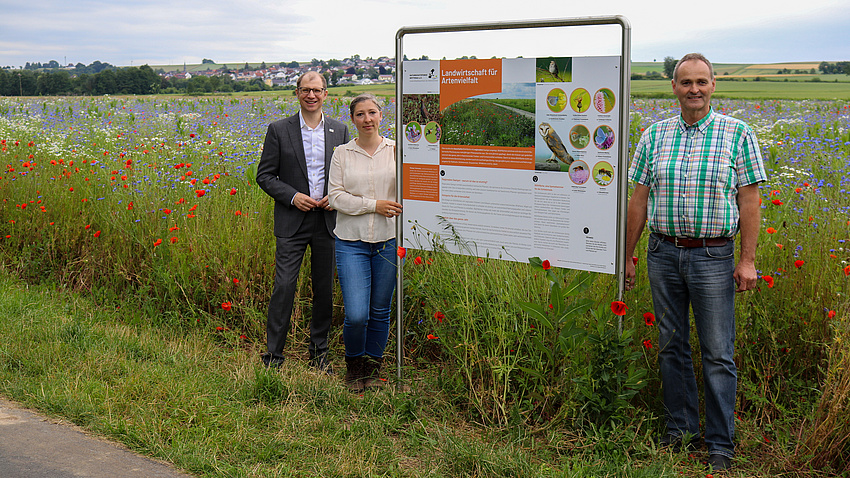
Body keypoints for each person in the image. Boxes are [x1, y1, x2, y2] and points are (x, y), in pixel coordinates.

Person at [624, 53, 766, 472]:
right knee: (672, 346)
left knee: (718, 352)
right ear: (674, 87)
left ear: (713, 85)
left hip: (713, 256)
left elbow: (750, 201)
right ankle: (680, 431)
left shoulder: (737, 133)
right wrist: (628, 254)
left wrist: (747, 261)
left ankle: (720, 443)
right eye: (686, 82)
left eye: (701, 81)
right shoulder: (654, 135)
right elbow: (639, 199)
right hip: (663, 253)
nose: (694, 89)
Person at [256, 71, 350, 371]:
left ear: (326, 94)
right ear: (296, 93)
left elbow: (349, 174)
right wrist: (293, 196)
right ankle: (274, 356)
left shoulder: (339, 130)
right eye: (306, 90)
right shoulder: (278, 130)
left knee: (324, 290)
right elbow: (265, 176)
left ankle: (319, 354)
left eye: (317, 90)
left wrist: (334, 196)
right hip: (292, 221)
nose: (311, 95)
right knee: (284, 286)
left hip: (327, 220)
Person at [328, 93, 401, 392]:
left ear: (381, 115)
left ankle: (372, 368)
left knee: (380, 311)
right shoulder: (342, 154)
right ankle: (354, 365)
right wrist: (374, 205)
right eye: (360, 114)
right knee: (357, 314)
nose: (367, 119)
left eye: (372, 112)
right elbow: (336, 197)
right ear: (353, 119)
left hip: (388, 240)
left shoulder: (397, 150)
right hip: (351, 242)